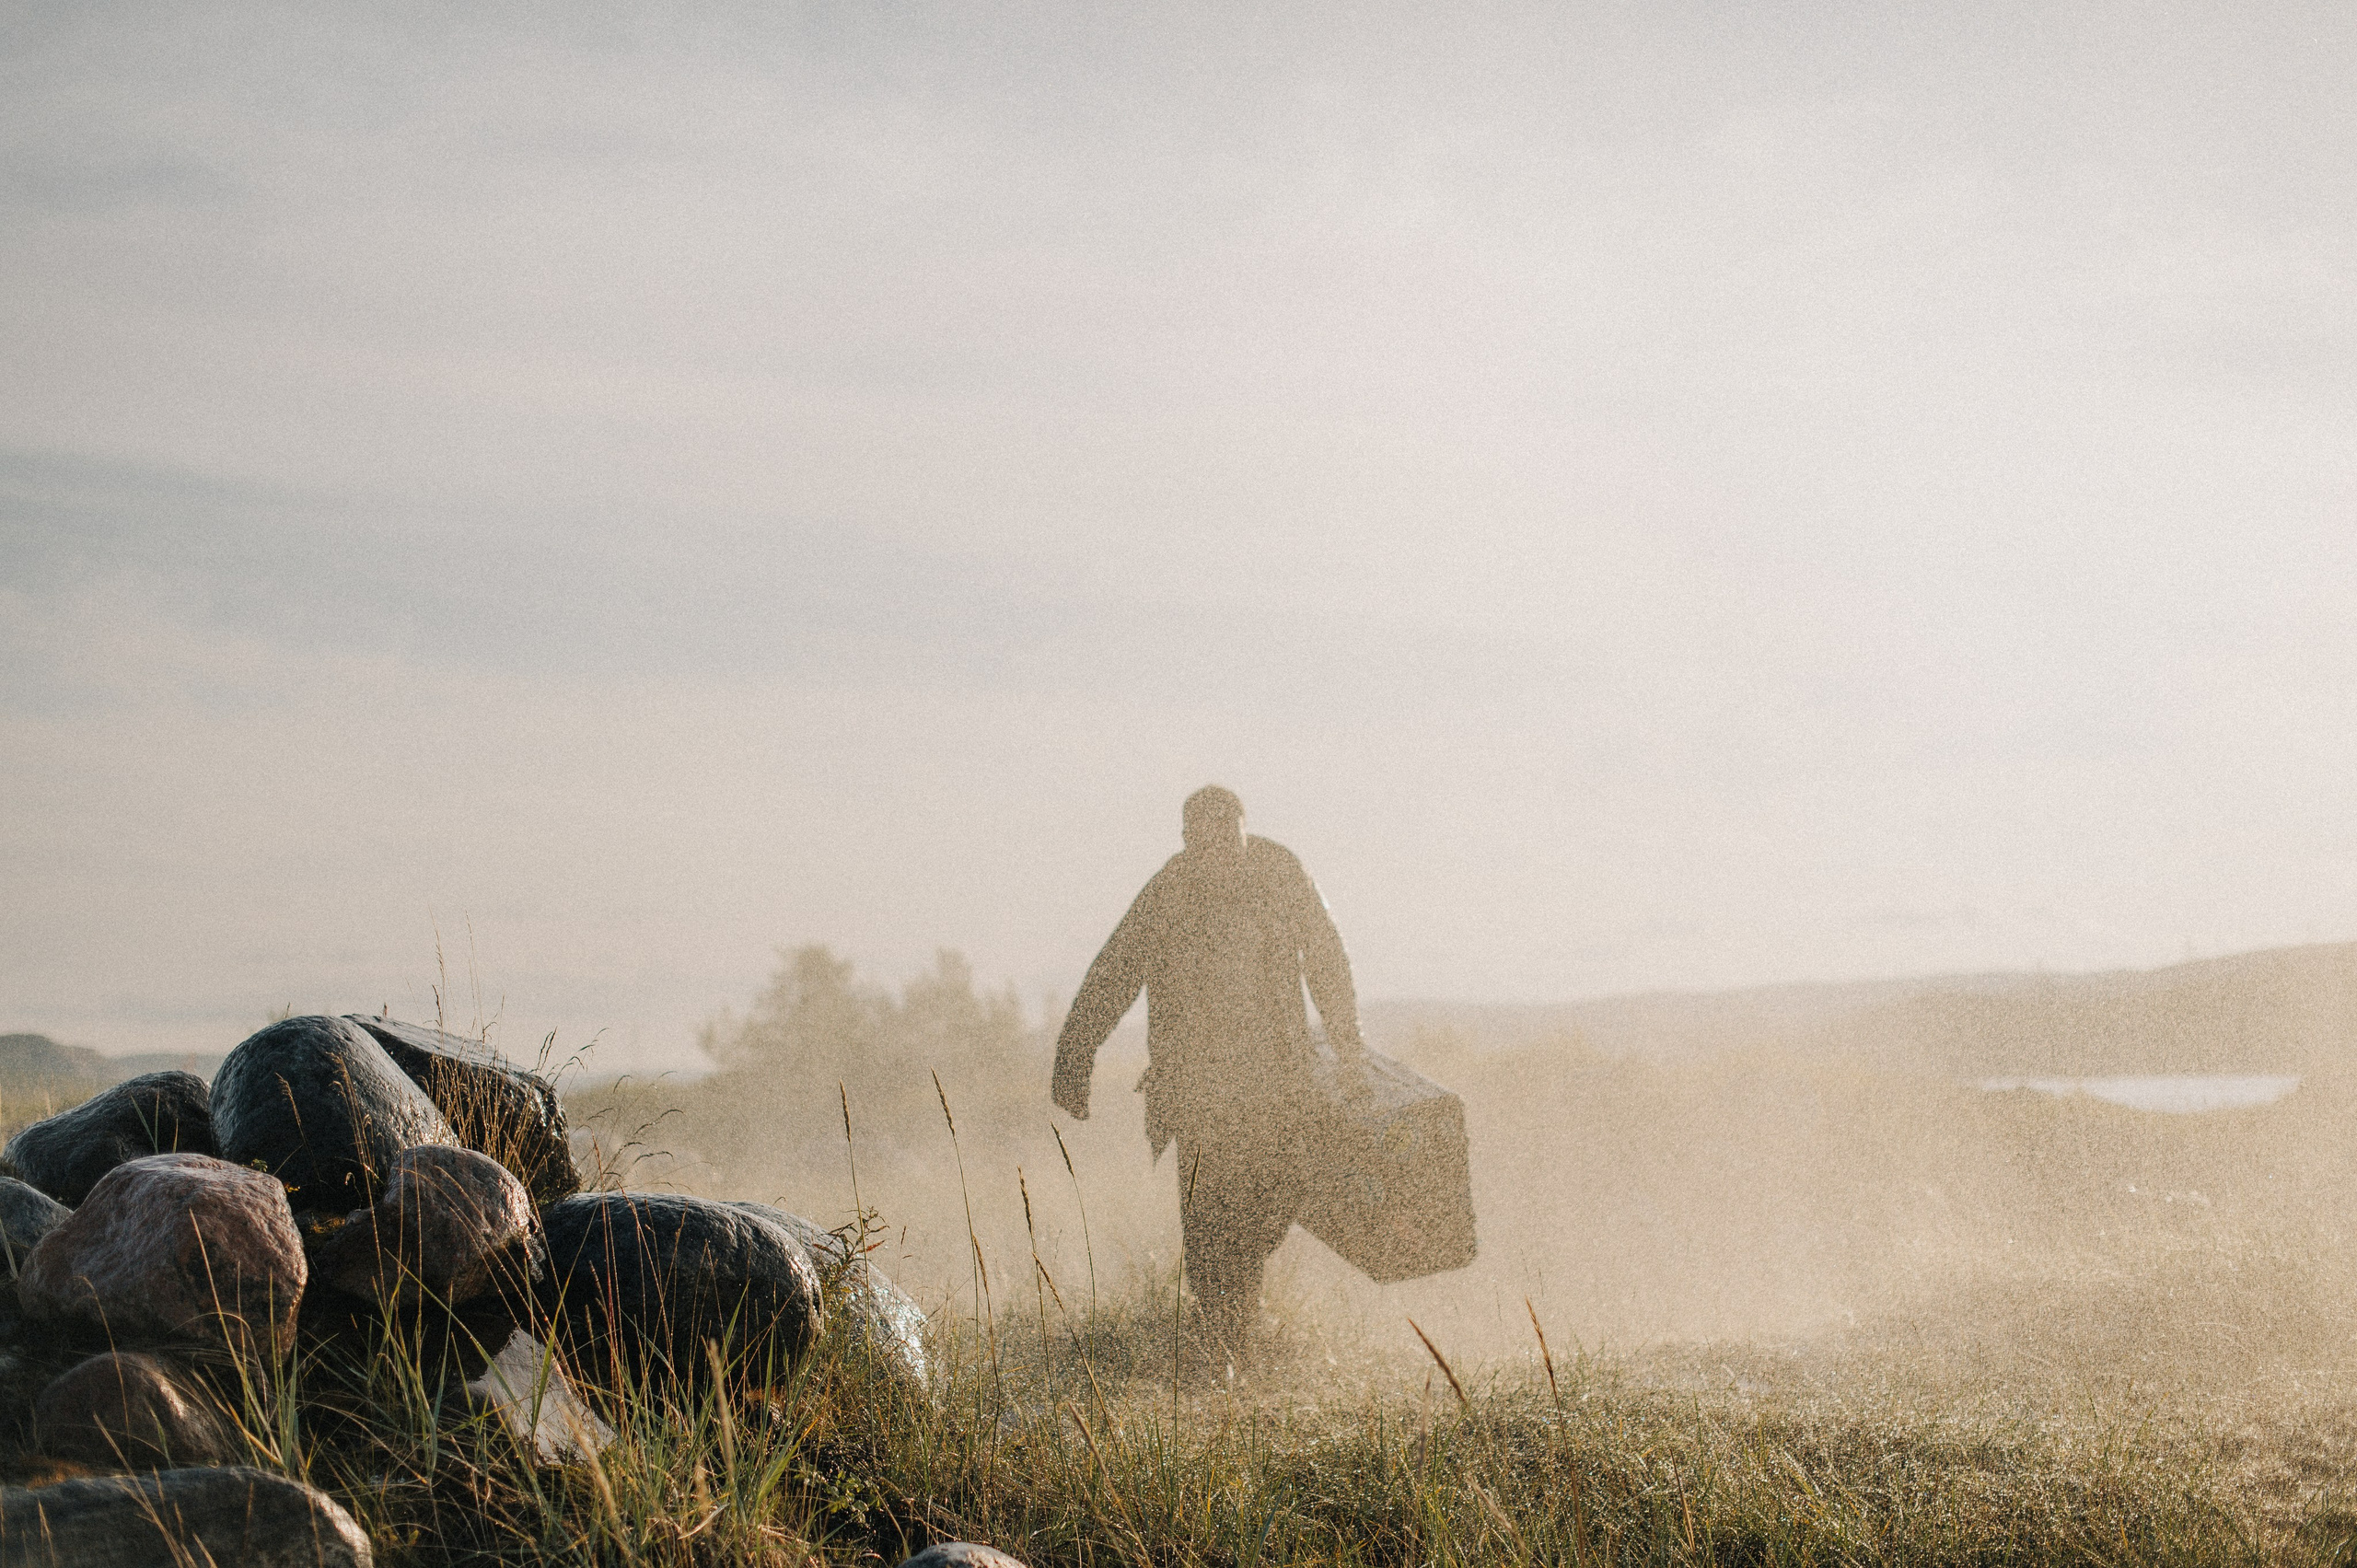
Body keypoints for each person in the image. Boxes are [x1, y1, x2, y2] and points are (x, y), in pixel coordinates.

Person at [1051, 784, 1366, 1371]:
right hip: (1194, 1092)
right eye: (1206, 842)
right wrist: (1076, 1050)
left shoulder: (1278, 872)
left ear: (1244, 834)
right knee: (1210, 1225)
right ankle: (1225, 1348)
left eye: (1229, 839)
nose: (1219, 853)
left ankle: (1238, 1328)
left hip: (1274, 1084)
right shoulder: (1169, 890)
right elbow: (1117, 968)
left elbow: (1325, 954)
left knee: (1268, 1204)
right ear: (1189, 842)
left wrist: (1348, 1046)